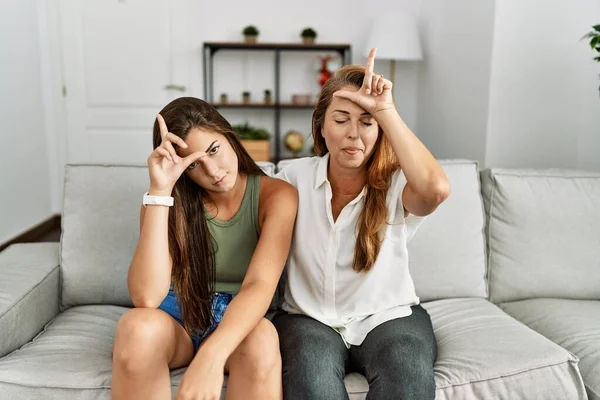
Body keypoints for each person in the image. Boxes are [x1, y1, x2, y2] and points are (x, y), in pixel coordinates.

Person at [273, 48, 450, 400]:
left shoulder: (397, 181)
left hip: (388, 317)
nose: (354, 134)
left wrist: (386, 111)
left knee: (409, 378)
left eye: (366, 122)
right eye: (341, 120)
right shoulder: (291, 178)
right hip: (308, 319)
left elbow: (435, 190)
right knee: (312, 382)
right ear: (321, 127)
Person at [111, 97, 298, 400]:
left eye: (214, 150)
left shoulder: (277, 196)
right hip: (177, 317)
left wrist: (212, 355)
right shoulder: (167, 199)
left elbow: (259, 286)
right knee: (134, 329)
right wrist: (159, 191)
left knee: (262, 339)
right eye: (194, 164)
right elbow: (145, 296)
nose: (212, 171)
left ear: (229, 136)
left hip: (238, 317)